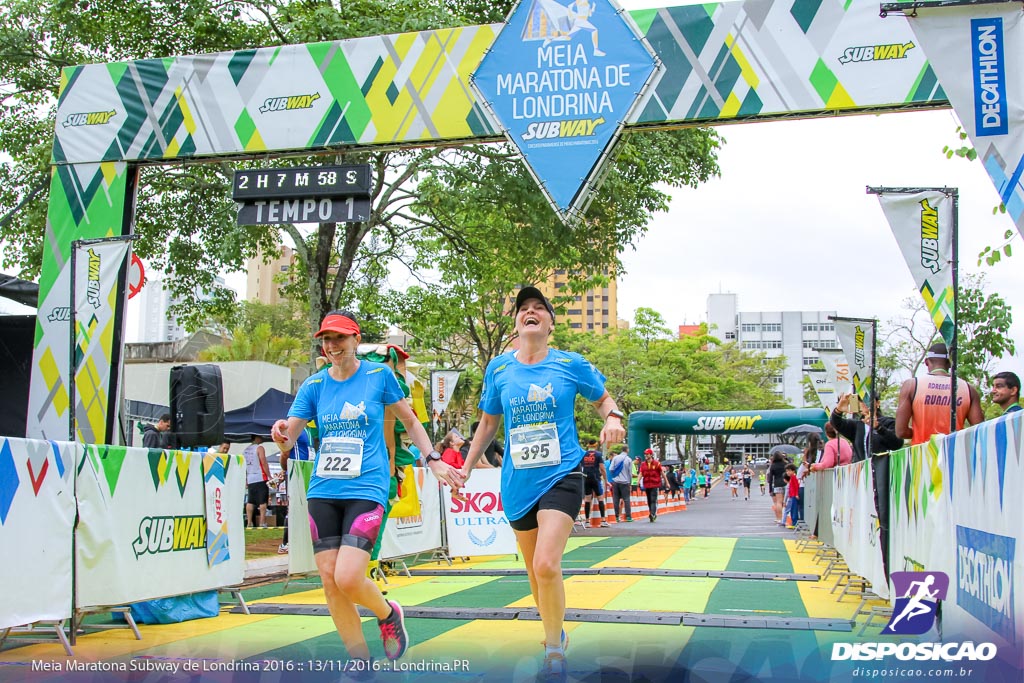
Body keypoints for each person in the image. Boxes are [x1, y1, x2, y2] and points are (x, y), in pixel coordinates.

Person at [270, 310, 465, 667]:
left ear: (356, 340)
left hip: (367, 486)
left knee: (347, 576)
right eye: (327, 340)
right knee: (330, 581)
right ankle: (359, 662)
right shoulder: (314, 385)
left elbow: (409, 420)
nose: (332, 346)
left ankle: (387, 612)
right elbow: (288, 439)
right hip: (324, 490)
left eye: (340, 338)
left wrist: (433, 458)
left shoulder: (379, 376)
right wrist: (281, 432)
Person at [460, 286, 625, 683]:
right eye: (523, 309)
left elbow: (604, 399)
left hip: (563, 473)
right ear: (516, 323)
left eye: (539, 308)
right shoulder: (499, 369)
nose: (529, 312)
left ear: (550, 324)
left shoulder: (570, 364)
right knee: (535, 574)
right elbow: (488, 423)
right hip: (517, 481)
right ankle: (557, 631)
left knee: (547, 563)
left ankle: (553, 651)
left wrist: (613, 418)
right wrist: (466, 467)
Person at [895, 342, 984, 445]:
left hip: (922, 456)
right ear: (950, 363)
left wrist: (920, 433)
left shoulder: (911, 385)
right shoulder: (968, 389)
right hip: (954, 454)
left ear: (927, 362)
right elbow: (979, 430)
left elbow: (901, 431)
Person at [276, 430, 312, 554]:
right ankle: (286, 543)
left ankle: (294, 541)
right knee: (293, 508)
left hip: (303, 470)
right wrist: (284, 469)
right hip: (296, 470)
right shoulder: (297, 428)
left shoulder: (307, 430)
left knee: (300, 508)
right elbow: (284, 453)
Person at [243, 435, 271, 528]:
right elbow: (263, 461)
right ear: (256, 438)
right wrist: (269, 475)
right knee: (262, 501)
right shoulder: (260, 448)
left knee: (250, 500)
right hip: (260, 476)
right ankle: (262, 522)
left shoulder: (245, 450)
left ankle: (249, 522)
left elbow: (244, 466)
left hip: (250, 477)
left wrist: (246, 479)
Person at [581, 440, 609, 527]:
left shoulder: (583, 454)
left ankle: (587, 521)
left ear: (588, 445)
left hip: (585, 478)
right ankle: (603, 520)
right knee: (600, 498)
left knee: (587, 499)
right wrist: (605, 480)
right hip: (596, 478)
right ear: (596, 446)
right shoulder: (598, 454)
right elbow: (602, 468)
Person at [639, 448, 667, 522]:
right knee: (649, 500)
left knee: (653, 500)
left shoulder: (657, 463)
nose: (646, 455)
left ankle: (653, 514)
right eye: (645, 454)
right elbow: (641, 473)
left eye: (647, 454)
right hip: (647, 484)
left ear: (651, 455)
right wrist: (638, 481)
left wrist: (667, 482)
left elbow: (662, 473)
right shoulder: (643, 464)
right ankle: (651, 513)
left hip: (655, 484)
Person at [608, 447, 633, 522]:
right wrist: (630, 483)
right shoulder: (628, 459)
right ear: (627, 450)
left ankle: (616, 516)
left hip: (615, 481)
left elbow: (610, 469)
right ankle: (628, 517)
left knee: (616, 499)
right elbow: (630, 473)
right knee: (626, 499)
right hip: (625, 482)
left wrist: (615, 475)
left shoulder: (615, 458)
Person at [767, 453, 787, 525]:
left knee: (779, 502)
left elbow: (770, 478)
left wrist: (770, 489)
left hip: (777, 484)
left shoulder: (773, 466)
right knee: (786, 502)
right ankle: (785, 518)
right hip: (786, 483)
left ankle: (779, 518)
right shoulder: (785, 464)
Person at [783, 463, 799, 529]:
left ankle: (794, 523)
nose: (787, 472)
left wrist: (796, 494)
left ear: (793, 470)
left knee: (794, 509)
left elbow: (796, 486)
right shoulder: (792, 477)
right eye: (786, 471)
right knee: (792, 509)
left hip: (794, 495)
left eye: (789, 471)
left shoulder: (794, 477)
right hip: (792, 495)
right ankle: (793, 522)